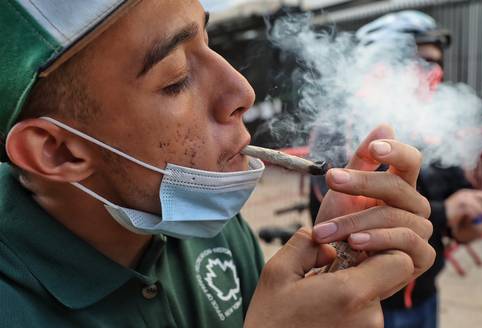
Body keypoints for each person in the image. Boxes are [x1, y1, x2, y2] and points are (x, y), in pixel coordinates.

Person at [0, 1, 435, 327]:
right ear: (58, 151)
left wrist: (336, 268)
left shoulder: (206, 226)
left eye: (207, 42)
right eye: (175, 79)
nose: (243, 91)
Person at [336, 11, 482, 328]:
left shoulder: (427, 125)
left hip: (425, 290)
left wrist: (468, 215)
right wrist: (446, 212)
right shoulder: (343, 129)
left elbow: (454, 187)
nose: (434, 75)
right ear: (381, 64)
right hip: (372, 303)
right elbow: (350, 218)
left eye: (437, 64)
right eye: (422, 64)